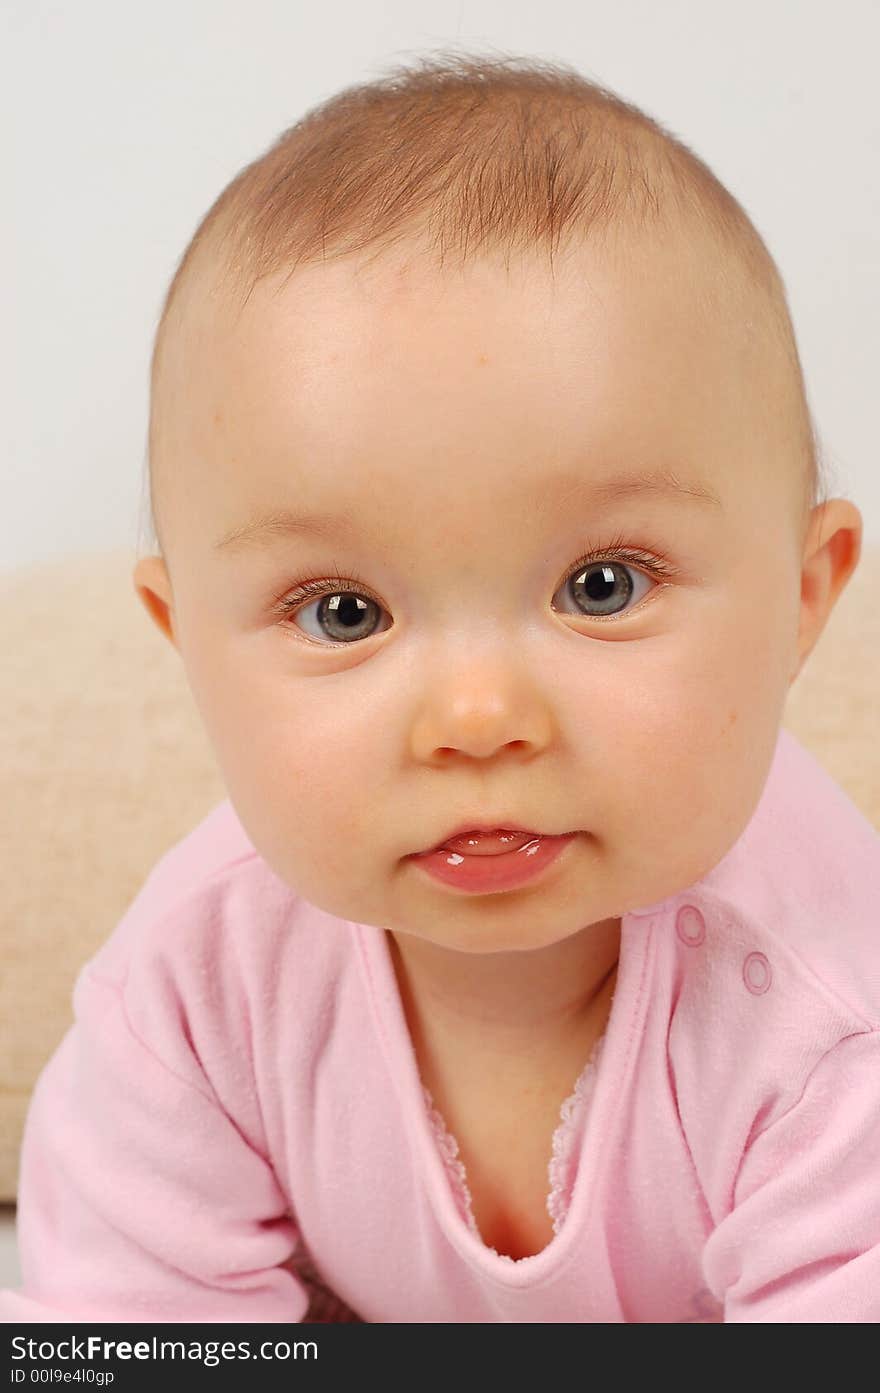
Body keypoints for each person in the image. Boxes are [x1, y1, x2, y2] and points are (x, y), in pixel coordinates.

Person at [3, 52, 876, 1324]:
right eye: (342, 613)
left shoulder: (829, 1026)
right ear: (181, 637)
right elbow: (136, 1324)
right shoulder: (196, 986)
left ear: (804, 595)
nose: (476, 719)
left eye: (602, 586)